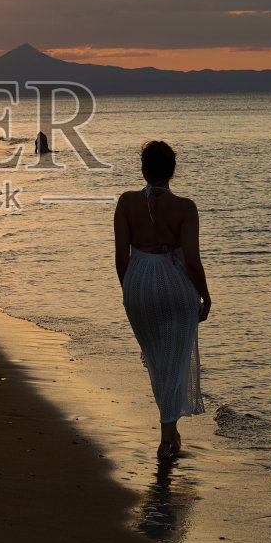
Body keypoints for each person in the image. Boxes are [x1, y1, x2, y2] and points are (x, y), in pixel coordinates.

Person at [113, 140, 211, 460]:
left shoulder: (126, 203)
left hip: (137, 286)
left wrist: (129, 293)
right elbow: (193, 262)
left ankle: (171, 432)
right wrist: (205, 296)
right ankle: (166, 440)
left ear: (143, 169)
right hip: (175, 287)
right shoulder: (185, 208)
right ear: (173, 170)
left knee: (157, 359)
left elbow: (121, 258)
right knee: (176, 361)